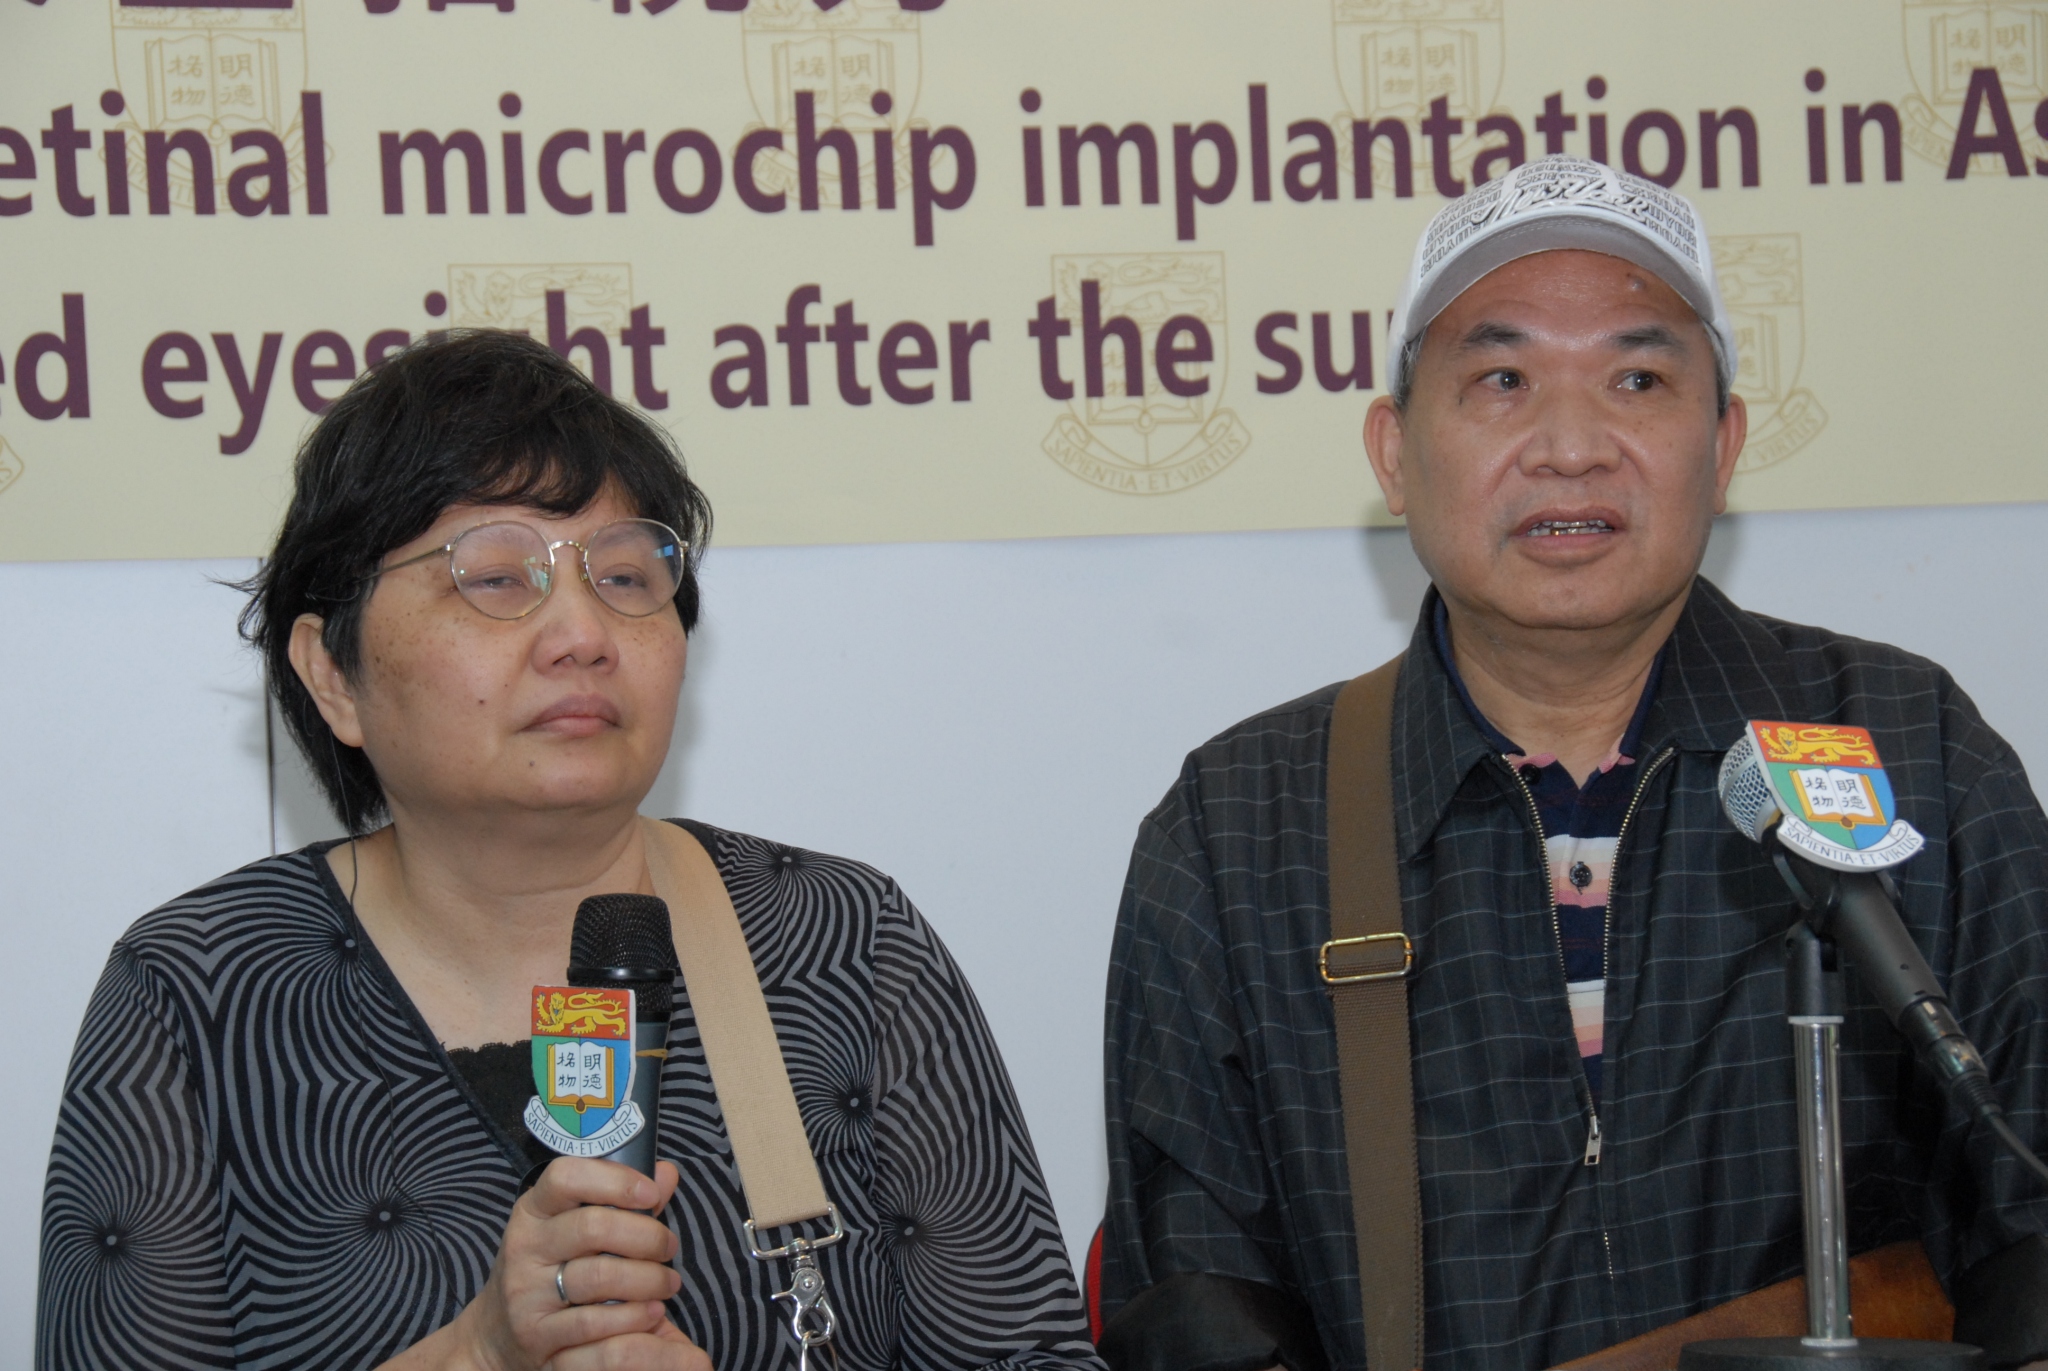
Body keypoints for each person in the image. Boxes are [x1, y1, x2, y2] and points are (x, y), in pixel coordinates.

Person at [1093, 158, 2048, 1369]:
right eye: (1500, 380)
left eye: (1635, 379)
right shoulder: (1241, 827)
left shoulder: (1905, 746)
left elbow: (2029, 1225)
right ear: (1393, 454)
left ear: (1721, 444)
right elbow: (1197, 1303)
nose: (1569, 446)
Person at [37, 331, 1101, 1371]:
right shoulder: (198, 987)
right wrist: (479, 1354)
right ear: (333, 673)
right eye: (497, 578)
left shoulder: (842, 942)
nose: (584, 634)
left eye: (627, 577)